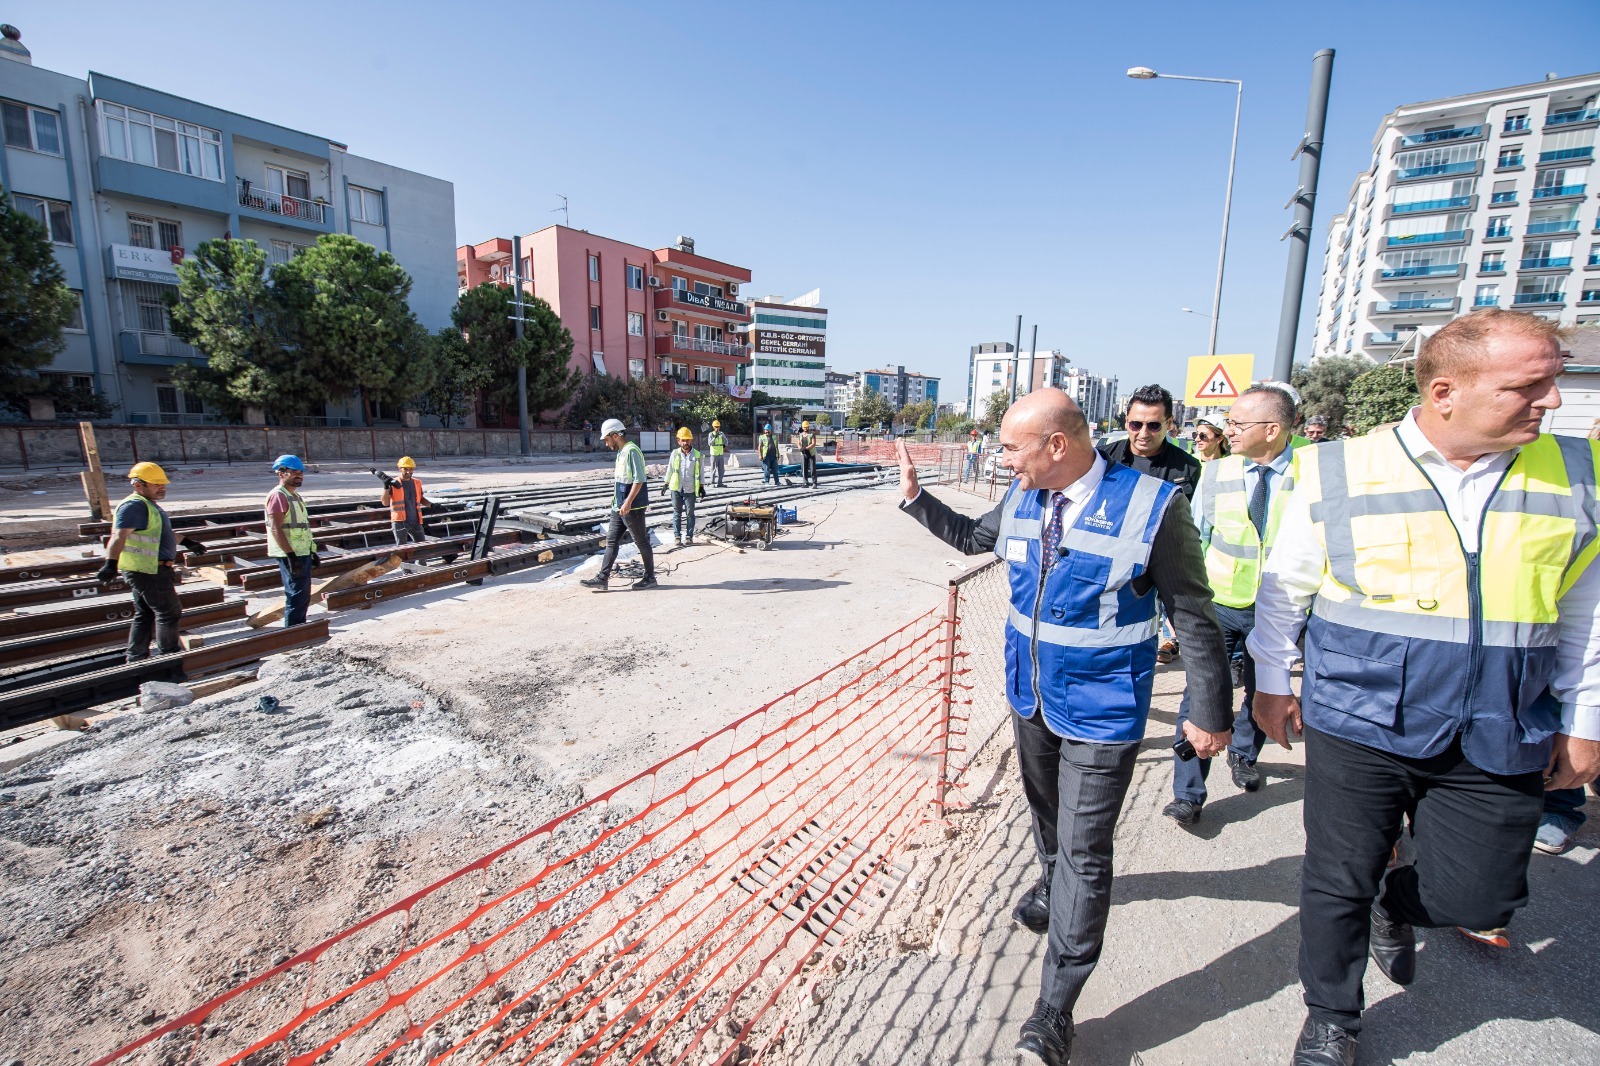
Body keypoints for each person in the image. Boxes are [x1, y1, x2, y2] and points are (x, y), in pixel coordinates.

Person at [1246, 309, 1600, 1066]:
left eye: (1555, 380)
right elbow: (1285, 588)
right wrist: (1271, 682)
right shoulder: (1340, 468)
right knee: (1336, 877)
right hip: (1360, 713)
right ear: (1445, 392)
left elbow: (1587, 610)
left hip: (1502, 718)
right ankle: (1332, 1016)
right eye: (1528, 386)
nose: (1551, 400)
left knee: (1481, 897)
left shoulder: (1575, 472)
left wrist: (1586, 718)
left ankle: (1395, 902)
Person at [894, 388, 1232, 1066]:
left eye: (1010, 447)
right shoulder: (1024, 496)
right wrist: (916, 499)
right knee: (1047, 820)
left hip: (1104, 710)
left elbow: (1193, 614)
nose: (1002, 458)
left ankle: (1054, 1008)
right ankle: (1054, 885)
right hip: (1032, 700)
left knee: (1084, 848)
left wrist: (1208, 708)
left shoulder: (1153, 506)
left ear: (1056, 445)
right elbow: (973, 538)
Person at [1163, 385, 1298, 827]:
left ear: (1272, 430)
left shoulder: (1309, 475)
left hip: (1277, 610)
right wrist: (1185, 607)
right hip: (1217, 605)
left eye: (1238, 423)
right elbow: (1195, 539)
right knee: (1201, 693)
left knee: (1262, 691)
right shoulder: (1218, 473)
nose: (1229, 431)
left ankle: (1244, 754)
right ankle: (1188, 793)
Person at [1101, 384, 1201, 665]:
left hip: (1163, 561)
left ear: (1169, 424)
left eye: (1154, 425)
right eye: (1136, 424)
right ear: (1126, 422)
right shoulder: (1104, 458)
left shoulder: (1188, 467)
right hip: (1113, 561)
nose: (1143, 433)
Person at [96, 461, 182, 661]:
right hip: (149, 570)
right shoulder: (134, 506)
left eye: (163, 483)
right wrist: (110, 563)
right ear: (138, 485)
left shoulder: (148, 505)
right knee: (169, 612)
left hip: (148, 568)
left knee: (146, 613)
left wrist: (188, 542)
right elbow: (119, 535)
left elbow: (160, 533)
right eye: (156, 484)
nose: (162, 488)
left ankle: (136, 656)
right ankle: (169, 659)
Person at [581, 419, 657, 590]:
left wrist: (628, 502)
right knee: (611, 541)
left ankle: (650, 578)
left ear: (615, 436)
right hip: (618, 506)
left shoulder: (632, 451)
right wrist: (618, 503)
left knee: (641, 541)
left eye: (607, 439)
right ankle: (602, 578)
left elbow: (639, 479)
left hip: (632, 507)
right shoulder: (621, 452)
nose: (606, 443)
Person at [265, 455, 319, 627]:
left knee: (302, 594)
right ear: (281, 473)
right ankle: (293, 631)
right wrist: (291, 556)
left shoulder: (295, 496)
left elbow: (301, 527)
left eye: (301, 472)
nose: (299, 475)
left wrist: (311, 551)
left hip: (301, 551)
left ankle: (298, 628)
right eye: (294, 472)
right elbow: (276, 528)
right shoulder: (278, 496)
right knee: (296, 594)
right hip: (290, 553)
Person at [663, 427, 706, 547]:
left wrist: (701, 487)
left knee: (690, 514)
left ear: (691, 440)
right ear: (679, 441)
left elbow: (701, 472)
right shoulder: (675, 453)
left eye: (687, 440)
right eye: (683, 440)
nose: (685, 442)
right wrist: (666, 484)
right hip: (676, 488)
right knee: (677, 513)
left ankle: (689, 536)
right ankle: (677, 536)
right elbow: (670, 469)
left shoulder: (697, 455)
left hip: (690, 489)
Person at [381, 456, 429, 544]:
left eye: (411, 469)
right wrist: (386, 487)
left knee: (422, 545)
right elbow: (385, 503)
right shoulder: (393, 483)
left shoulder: (417, 482)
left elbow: (421, 498)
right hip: (399, 522)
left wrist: (431, 505)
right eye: (405, 469)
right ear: (400, 468)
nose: (408, 472)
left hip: (415, 521)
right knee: (402, 548)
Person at [707, 419, 729, 488]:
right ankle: (712, 482)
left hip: (720, 454)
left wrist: (724, 445)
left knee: (721, 469)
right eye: (716, 426)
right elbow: (709, 443)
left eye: (718, 426)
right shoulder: (711, 434)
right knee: (713, 469)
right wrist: (715, 437)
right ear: (713, 427)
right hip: (714, 454)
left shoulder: (721, 434)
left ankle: (720, 482)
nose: (717, 428)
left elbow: (726, 441)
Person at [797, 420, 819, 488]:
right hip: (803, 454)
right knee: (804, 469)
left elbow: (813, 443)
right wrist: (800, 448)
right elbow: (798, 443)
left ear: (808, 427)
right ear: (802, 427)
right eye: (804, 427)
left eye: (806, 427)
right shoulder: (800, 435)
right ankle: (805, 482)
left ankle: (814, 483)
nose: (805, 428)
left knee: (812, 469)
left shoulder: (812, 434)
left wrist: (806, 448)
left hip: (811, 453)